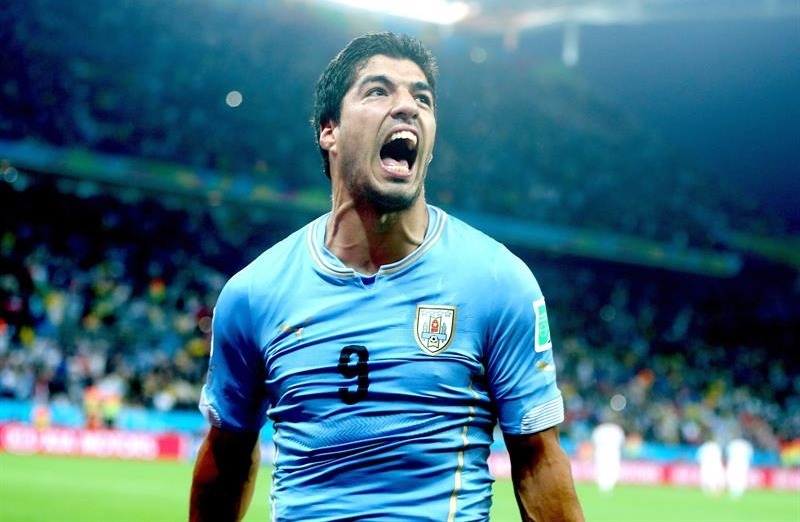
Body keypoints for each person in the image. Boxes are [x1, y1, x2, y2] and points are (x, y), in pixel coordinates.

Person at [189, 32, 584, 522]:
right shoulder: (253, 294)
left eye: (423, 98)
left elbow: (538, 461)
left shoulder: (497, 281)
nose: (407, 107)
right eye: (378, 91)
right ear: (329, 130)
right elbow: (226, 454)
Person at [591, 419, 625, 493]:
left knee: (602, 468)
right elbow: (622, 442)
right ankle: (609, 486)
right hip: (613, 451)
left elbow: (593, 441)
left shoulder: (599, 429)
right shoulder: (617, 429)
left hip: (601, 451)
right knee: (611, 469)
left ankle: (602, 486)